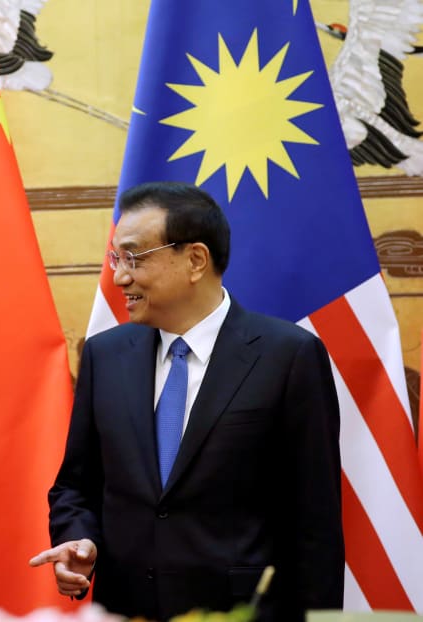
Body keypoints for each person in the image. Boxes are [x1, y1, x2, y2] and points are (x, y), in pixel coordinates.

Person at [30, 181, 344, 622]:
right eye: (116, 258)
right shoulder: (105, 355)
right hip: (126, 608)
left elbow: (316, 525)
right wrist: (82, 539)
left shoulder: (288, 356)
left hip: (243, 612)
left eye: (134, 257)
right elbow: (76, 485)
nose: (120, 276)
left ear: (195, 259)